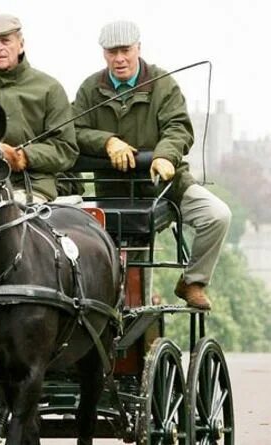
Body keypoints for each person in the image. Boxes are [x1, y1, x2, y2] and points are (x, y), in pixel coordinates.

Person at [72, 20, 231, 309]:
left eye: (125, 50)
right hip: (113, 192)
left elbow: (178, 127)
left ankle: (192, 281)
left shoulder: (163, 84)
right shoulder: (89, 90)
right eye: (112, 52)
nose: (119, 59)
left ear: (138, 49)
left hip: (167, 185)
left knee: (217, 215)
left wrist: (164, 155)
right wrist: (108, 142)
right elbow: (74, 131)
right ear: (103, 54)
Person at [0, 14, 78, 203]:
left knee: (12, 212)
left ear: (21, 44)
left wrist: (24, 156)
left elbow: (65, 148)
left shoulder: (49, 88)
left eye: (5, 41)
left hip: (33, 185)